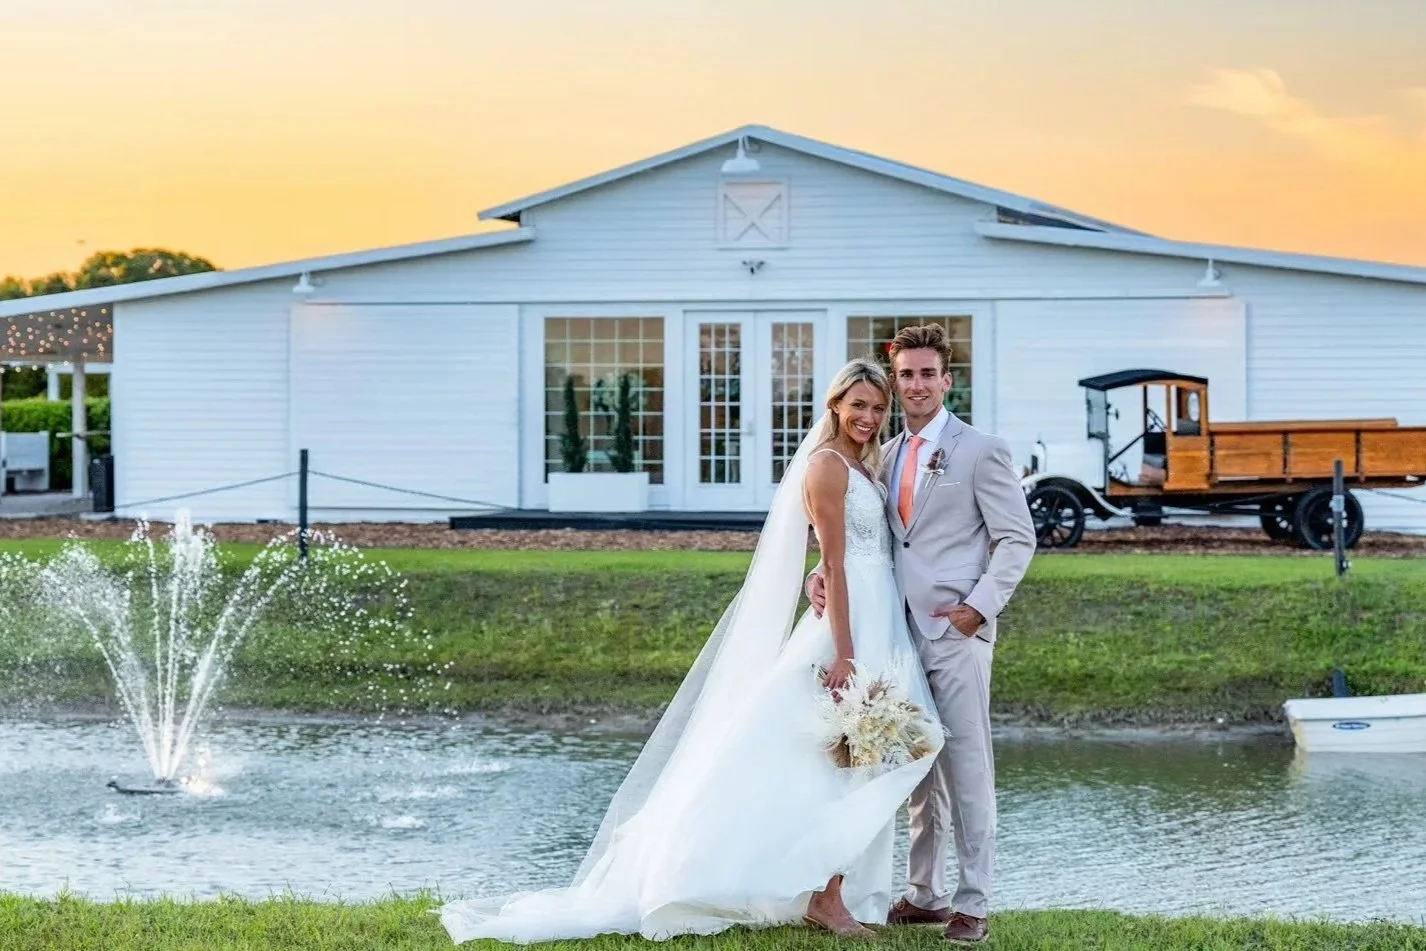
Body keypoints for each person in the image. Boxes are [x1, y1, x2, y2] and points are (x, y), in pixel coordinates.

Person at [438, 358, 944, 944]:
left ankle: (826, 889)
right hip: (850, 627)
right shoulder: (826, 466)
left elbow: (863, 550)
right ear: (835, 404)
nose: (868, 416)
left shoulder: (867, 462)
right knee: (843, 755)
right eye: (858, 404)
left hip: (878, 610)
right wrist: (847, 652)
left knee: (873, 752)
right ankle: (825, 898)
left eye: (878, 408)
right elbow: (833, 558)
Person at [808, 324, 1036, 944]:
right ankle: (926, 893)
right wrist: (815, 577)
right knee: (915, 766)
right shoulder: (884, 453)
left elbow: (1017, 537)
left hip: (956, 632)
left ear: (947, 379)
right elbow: (868, 541)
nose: (915, 385)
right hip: (896, 631)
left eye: (926, 374)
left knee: (966, 765)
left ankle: (975, 904)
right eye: (905, 375)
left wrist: (978, 608)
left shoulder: (980, 450)